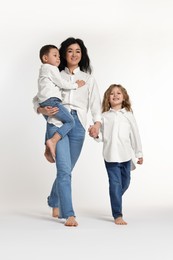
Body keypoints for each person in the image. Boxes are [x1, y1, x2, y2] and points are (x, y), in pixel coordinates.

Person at [33, 37, 101, 226]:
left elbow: (95, 104)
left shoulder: (88, 79)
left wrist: (97, 123)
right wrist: (41, 109)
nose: (74, 54)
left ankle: (54, 200)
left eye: (78, 51)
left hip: (77, 124)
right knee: (64, 170)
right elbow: (37, 98)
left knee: (67, 169)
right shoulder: (54, 73)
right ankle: (68, 214)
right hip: (57, 121)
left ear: (82, 55)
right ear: (64, 54)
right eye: (70, 50)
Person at [89, 84, 143, 225]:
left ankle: (115, 198)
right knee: (115, 184)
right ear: (108, 99)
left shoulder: (129, 115)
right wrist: (95, 134)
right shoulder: (104, 117)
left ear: (124, 97)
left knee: (125, 183)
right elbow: (101, 137)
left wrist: (139, 153)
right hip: (110, 156)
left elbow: (135, 134)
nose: (115, 95)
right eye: (112, 94)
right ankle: (117, 214)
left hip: (126, 155)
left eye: (118, 93)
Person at [37, 44, 85, 160]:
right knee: (70, 121)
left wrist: (40, 108)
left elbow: (38, 96)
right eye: (55, 55)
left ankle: (47, 146)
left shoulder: (43, 71)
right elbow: (62, 83)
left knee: (51, 121)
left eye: (59, 56)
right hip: (52, 101)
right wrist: (76, 85)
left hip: (45, 101)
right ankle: (52, 142)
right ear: (45, 58)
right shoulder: (52, 69)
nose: (58, 58)